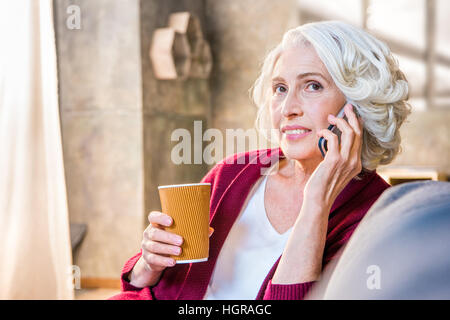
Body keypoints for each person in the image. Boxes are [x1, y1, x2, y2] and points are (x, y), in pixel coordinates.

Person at [110, 20, 411, 300]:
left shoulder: (379, 215)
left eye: (312, 86)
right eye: (280, 89)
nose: (288, 107)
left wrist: (315, 204)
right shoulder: (231, 173)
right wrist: (147, 266)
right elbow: (154, 291)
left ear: (357, 106)